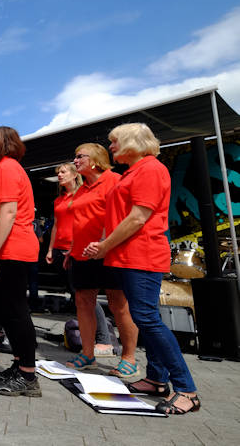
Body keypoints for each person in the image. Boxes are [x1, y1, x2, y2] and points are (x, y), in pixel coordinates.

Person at [85, 123, 200, 414]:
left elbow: (138, 218)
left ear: (132, 142)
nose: (110, 147)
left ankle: (186, 390)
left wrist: (105, 245)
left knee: (147, 319)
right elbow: (123, 216)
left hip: (142, 255)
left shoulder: (150, 169)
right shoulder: (134, 171)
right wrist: (105, 243)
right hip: (129, 256)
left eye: (114, 142)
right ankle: (157, 379)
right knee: (145, 316)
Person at [64, 143, 139, 378]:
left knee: (119, 303)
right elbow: (82, 221)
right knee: (83, 302)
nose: (75, 161)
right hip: (82, 254)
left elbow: (127, 218)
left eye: (80, 157)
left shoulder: (115, 180)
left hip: (110, 251)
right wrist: (72, 249)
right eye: (74, 157)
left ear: (96, 159)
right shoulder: (82, 188)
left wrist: (106, 244)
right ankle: (88, 355)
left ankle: (129, 357)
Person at [0, 126, 40, 397]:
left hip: (13, 248)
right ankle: (19, 365)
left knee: (15, 311)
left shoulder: (6, 168)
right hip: (9, 247)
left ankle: (28, 375)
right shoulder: (4, 169)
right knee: (4, 309)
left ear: (1, 143)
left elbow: (8, 211)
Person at [46, 163, 114, 355]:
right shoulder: (59, 200)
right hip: (61, 250)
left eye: (63, 171)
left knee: (84, 294)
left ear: (75, 175)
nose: (59, 175)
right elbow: (56, 226)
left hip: (79, 248)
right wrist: (51, 249)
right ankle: (88, 341)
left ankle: (104, 340)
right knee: (77, 296)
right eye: (57, 172)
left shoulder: (83, 195)